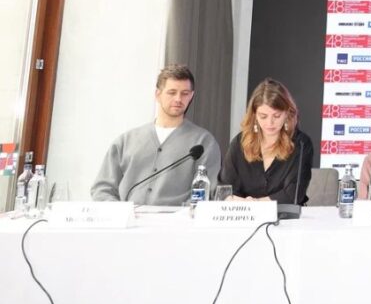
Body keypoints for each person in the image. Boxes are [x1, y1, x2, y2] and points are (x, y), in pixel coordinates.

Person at [92, 64, 221, 205]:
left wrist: (183, 214)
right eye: (172, 92)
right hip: (129, 217)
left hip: (179, 218)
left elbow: (207, 193)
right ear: (158, 95)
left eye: (184, 93)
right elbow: (102, 189)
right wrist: (120, 212)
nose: (178, 99)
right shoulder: (126, 141)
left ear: (191, 96)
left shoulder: (203, 142)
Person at [219, 78, 314, 204]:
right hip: (244, 214)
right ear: (254, 115)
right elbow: (225, 190)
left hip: (286, 215)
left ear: (287, 113)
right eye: (263, 116)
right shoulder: (240, 143)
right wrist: (244, 205)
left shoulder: (301, 144)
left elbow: (293, 194)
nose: (270, 123)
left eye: (276, 116)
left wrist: (256, 204)